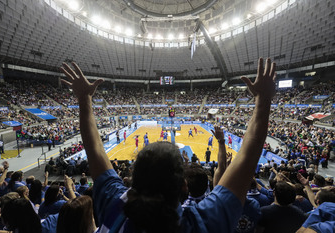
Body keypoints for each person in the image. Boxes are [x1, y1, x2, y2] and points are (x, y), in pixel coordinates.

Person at [61, 57, 276, 233]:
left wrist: (84, 99)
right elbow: (248, 155)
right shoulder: (203, 223)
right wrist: (264, 98)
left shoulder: (114, 205)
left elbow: (95, 150)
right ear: (184, 186)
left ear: (132, 182)